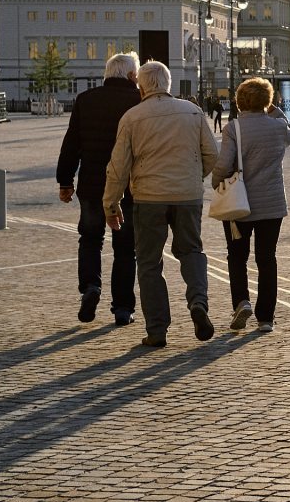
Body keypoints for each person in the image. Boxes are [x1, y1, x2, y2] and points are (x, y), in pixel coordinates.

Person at [103, 61, 219, 349]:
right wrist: (194, 177)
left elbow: (118, 166)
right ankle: (197, 303)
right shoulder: (193, 112)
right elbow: (212, 155)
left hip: (148, 197)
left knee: (148, 262)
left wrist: (111, 203)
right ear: (168, 84)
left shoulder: (132, 117)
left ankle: (157, 329)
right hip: (187, 195)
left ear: (141, 86)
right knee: (191, 250)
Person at [57, 52, 143, 325]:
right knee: (125, 248)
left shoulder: (85, 99)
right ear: (132, 75)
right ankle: (122, 307)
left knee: (90, 239)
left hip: (92, 185)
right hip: (128, 187)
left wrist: (65, 181)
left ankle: (90, 287)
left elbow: (71, 144)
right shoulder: (139, 102)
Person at [211, 77, 290, 333]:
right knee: (266, 258)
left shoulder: (233, 129)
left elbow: (224, 165)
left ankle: (241, 302)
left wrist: (216, 182)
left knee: (237, 256)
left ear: (239, 101)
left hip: (240, 203)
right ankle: (266, 317)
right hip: (271, 204)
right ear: (267, 101)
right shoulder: (278, 127)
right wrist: (275, 109)